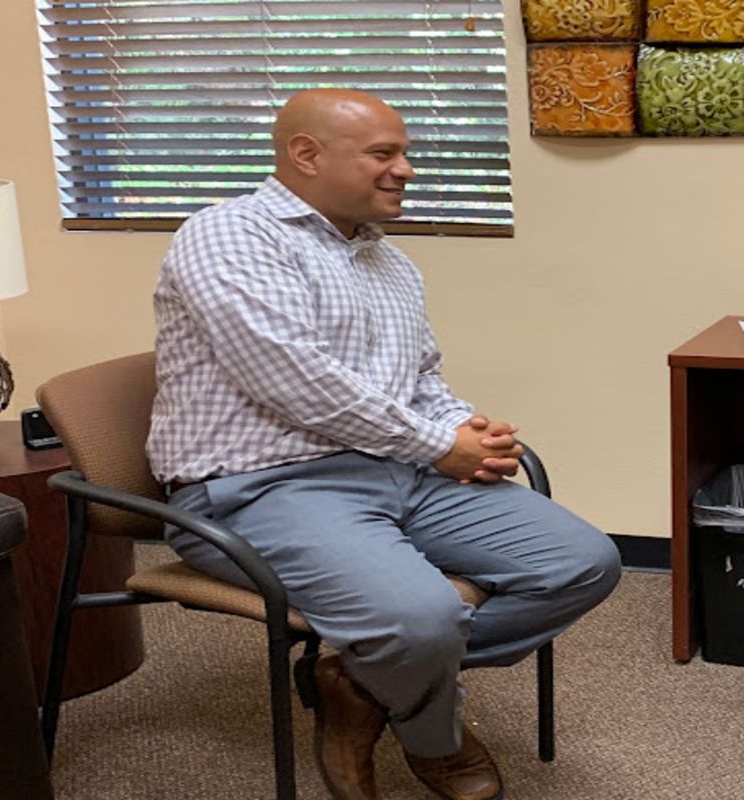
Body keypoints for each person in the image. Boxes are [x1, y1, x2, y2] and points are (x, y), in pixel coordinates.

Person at [147, 88, 621, 800]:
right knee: (420, 617)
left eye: (405, 153)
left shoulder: (388, 262)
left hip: (393, 468)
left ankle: (358, 683)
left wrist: (466, 430)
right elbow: (296, 381)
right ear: (306, 154)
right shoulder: (230, 235)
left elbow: (419, 378)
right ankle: (435, 737)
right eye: (383, 153)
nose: (405, 169)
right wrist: (437, 445)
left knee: (582, 564)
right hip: (260, 489)